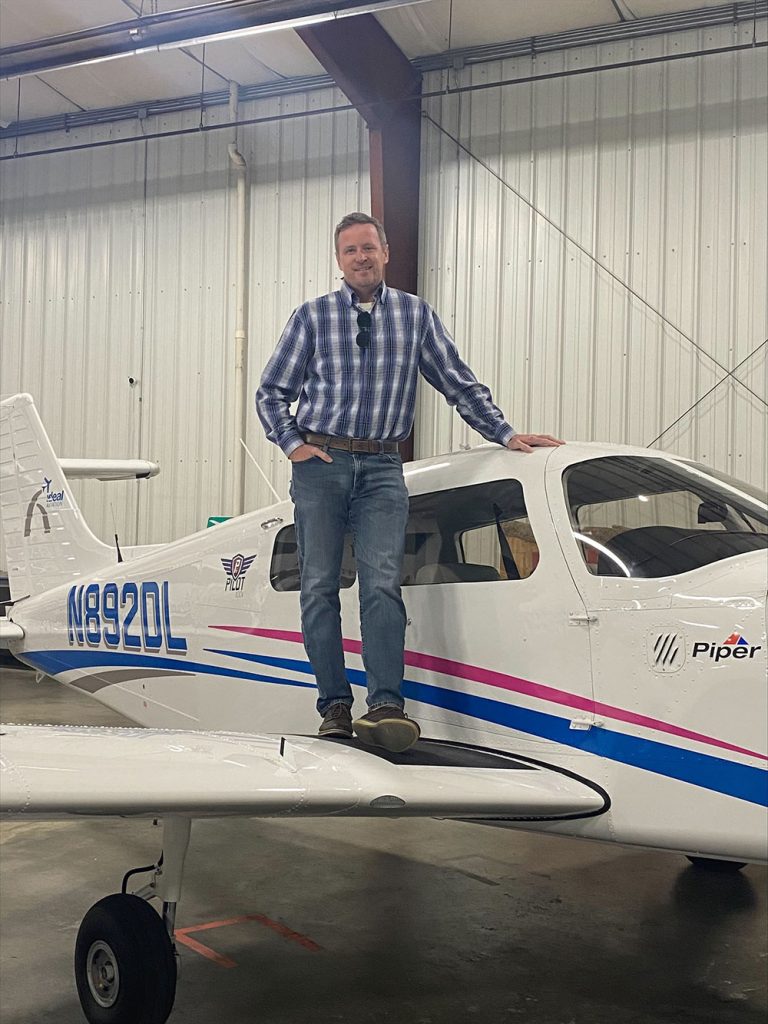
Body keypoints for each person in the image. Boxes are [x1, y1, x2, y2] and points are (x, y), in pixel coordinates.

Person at [257, 212, 563, 753]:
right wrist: (294, 446)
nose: (361, 257)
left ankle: (385, 704)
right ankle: (333, 705)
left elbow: (457, 382)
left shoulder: (415, 316)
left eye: (369, 247)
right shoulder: (311, 317)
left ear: (386, 251)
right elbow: (271, 392)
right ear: (339, 261)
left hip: (382, 467)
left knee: (380, 585)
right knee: (319, 588)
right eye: (350, 250)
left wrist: (506, 434)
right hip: (321, 465)